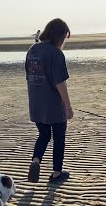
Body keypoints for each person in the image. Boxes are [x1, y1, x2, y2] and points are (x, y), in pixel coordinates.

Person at [25, 18, 72, 183]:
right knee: (59, 137)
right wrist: (68, 106)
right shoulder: (55, 53)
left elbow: (29, 77)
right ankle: (57, 173)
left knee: (44, 134)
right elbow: (60, 82)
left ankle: (36, 160)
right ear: (59, 35)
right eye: (64, 37)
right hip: (53, 105)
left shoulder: (32, 49)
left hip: (36, 104)